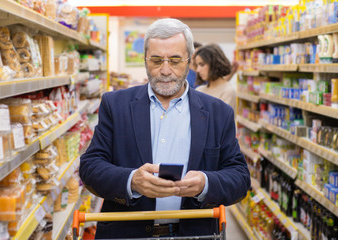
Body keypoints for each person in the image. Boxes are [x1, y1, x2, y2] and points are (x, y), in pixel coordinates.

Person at [79, 18, 250, 239]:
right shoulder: (115, 105)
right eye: (157, 60)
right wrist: (132, 181)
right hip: (128, 233)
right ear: (145, 60)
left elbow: (239, 177)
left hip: (196, 234)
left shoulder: (218, 113)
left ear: (190, 61)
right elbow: (90, 168)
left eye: (175, 60)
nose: (166, 70)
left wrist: (205, 183)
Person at [194, 44, 238, 114]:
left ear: (214, 64)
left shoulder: (227, 92)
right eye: (197, 65)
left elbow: (220, 122)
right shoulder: (199, 90)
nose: (198, 70)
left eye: (202, 65)